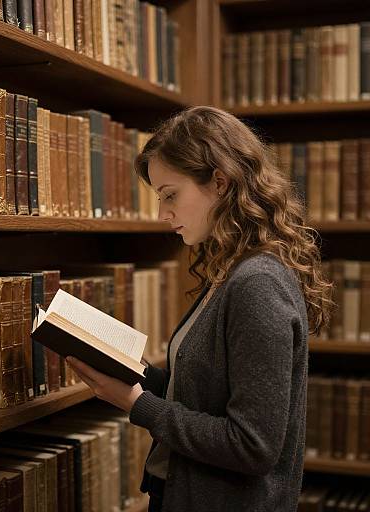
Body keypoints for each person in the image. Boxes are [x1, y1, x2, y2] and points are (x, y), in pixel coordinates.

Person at [67, 106, 332, 512]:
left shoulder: (257, 283)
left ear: (220, 183)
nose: (162, 214)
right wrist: (131, 372)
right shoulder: (228, 272)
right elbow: (202, 395)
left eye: (170, 195)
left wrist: (138, 405)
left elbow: (253, 445)